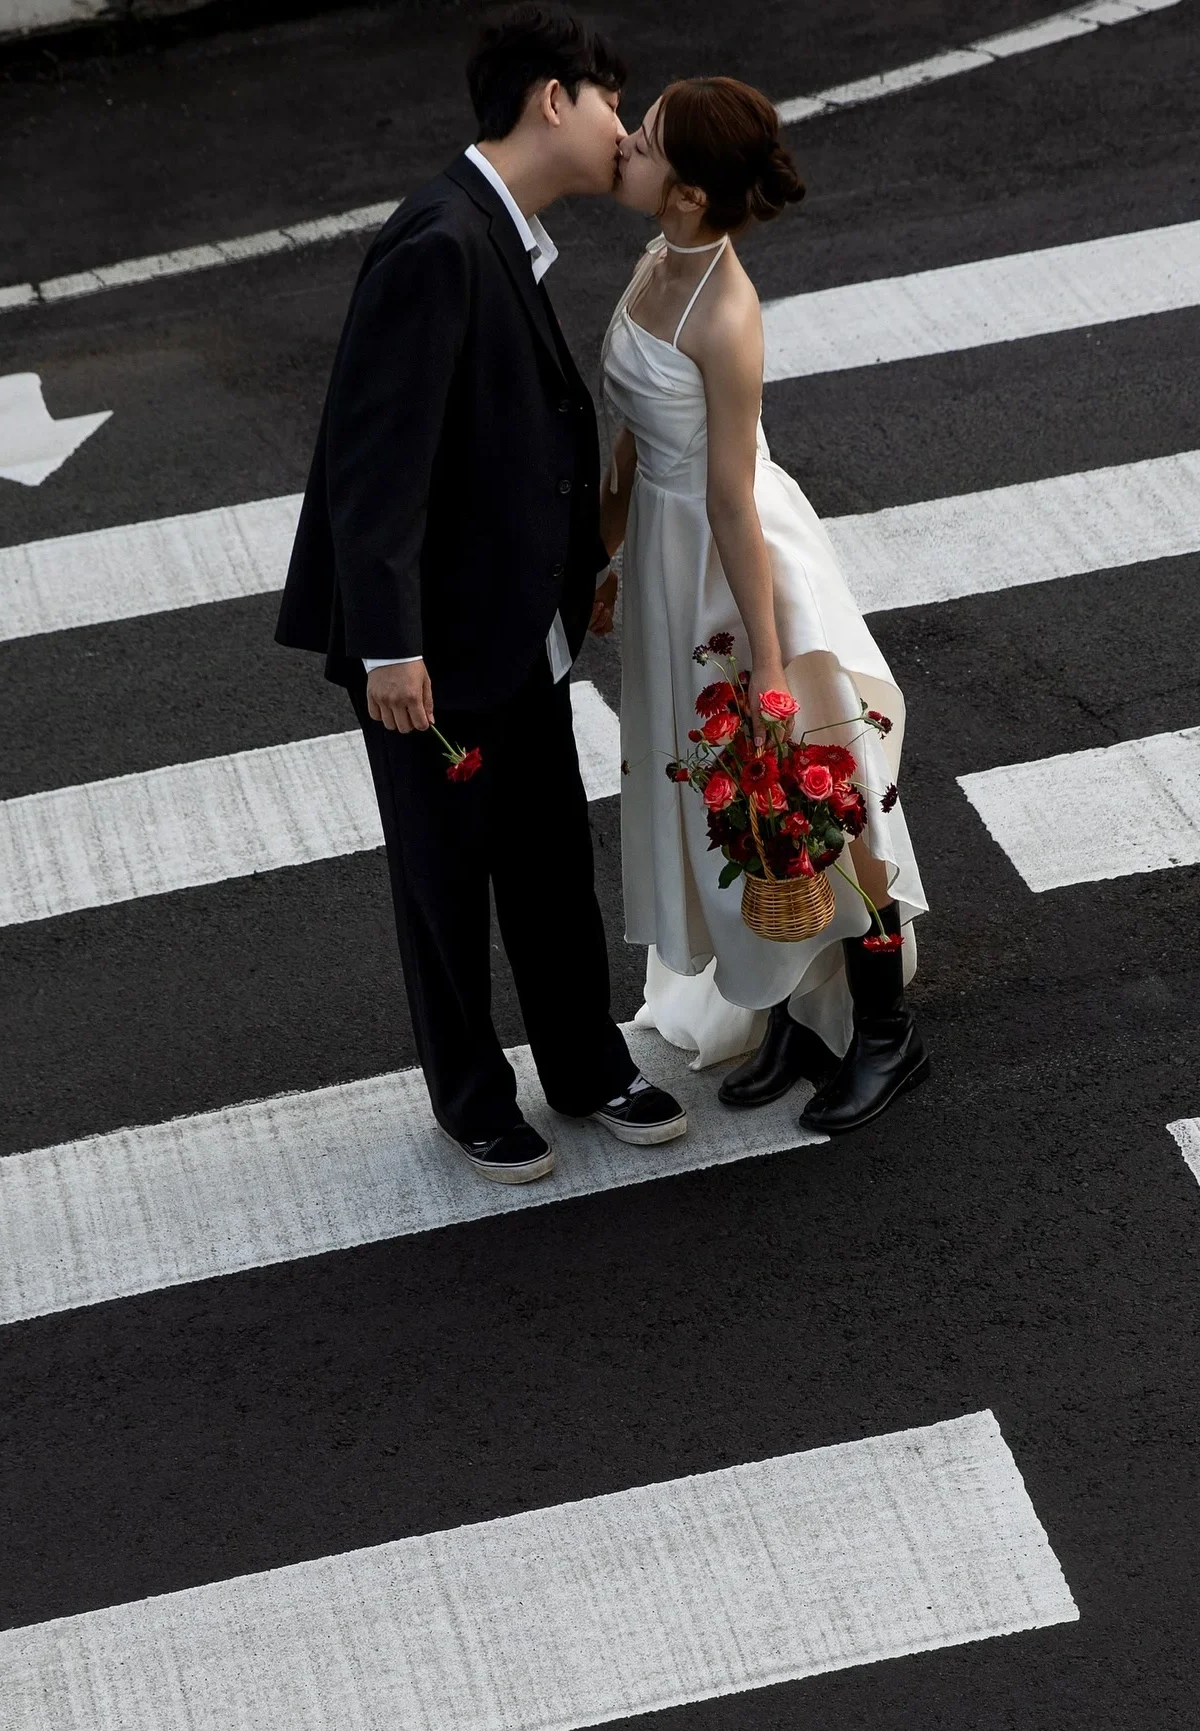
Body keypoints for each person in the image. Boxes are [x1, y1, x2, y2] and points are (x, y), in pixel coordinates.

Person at [276, 6, 686, 1183]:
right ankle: (470, 1099)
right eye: (612, 103)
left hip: (514, 626)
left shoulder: (497, 232)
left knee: (551, 859)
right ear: (553, 98)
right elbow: (375, 464)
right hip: (434, 648)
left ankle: (586, 1065)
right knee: (444, 881)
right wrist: (389, 647)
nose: (622, 130)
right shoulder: (441, 243)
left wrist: (581, 572)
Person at [595, 77, 930, 1134]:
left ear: (689, 194)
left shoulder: (725, 312)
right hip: (668, 561)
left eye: (646, 141)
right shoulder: (657, 261)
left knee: (818, 791)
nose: (624, 145)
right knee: (737, 796)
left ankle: (887, 1033)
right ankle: (791, 1010)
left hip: (737, 571)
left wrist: (773, 661)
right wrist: (605, 557)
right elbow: (632, 440)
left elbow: (733, 500)